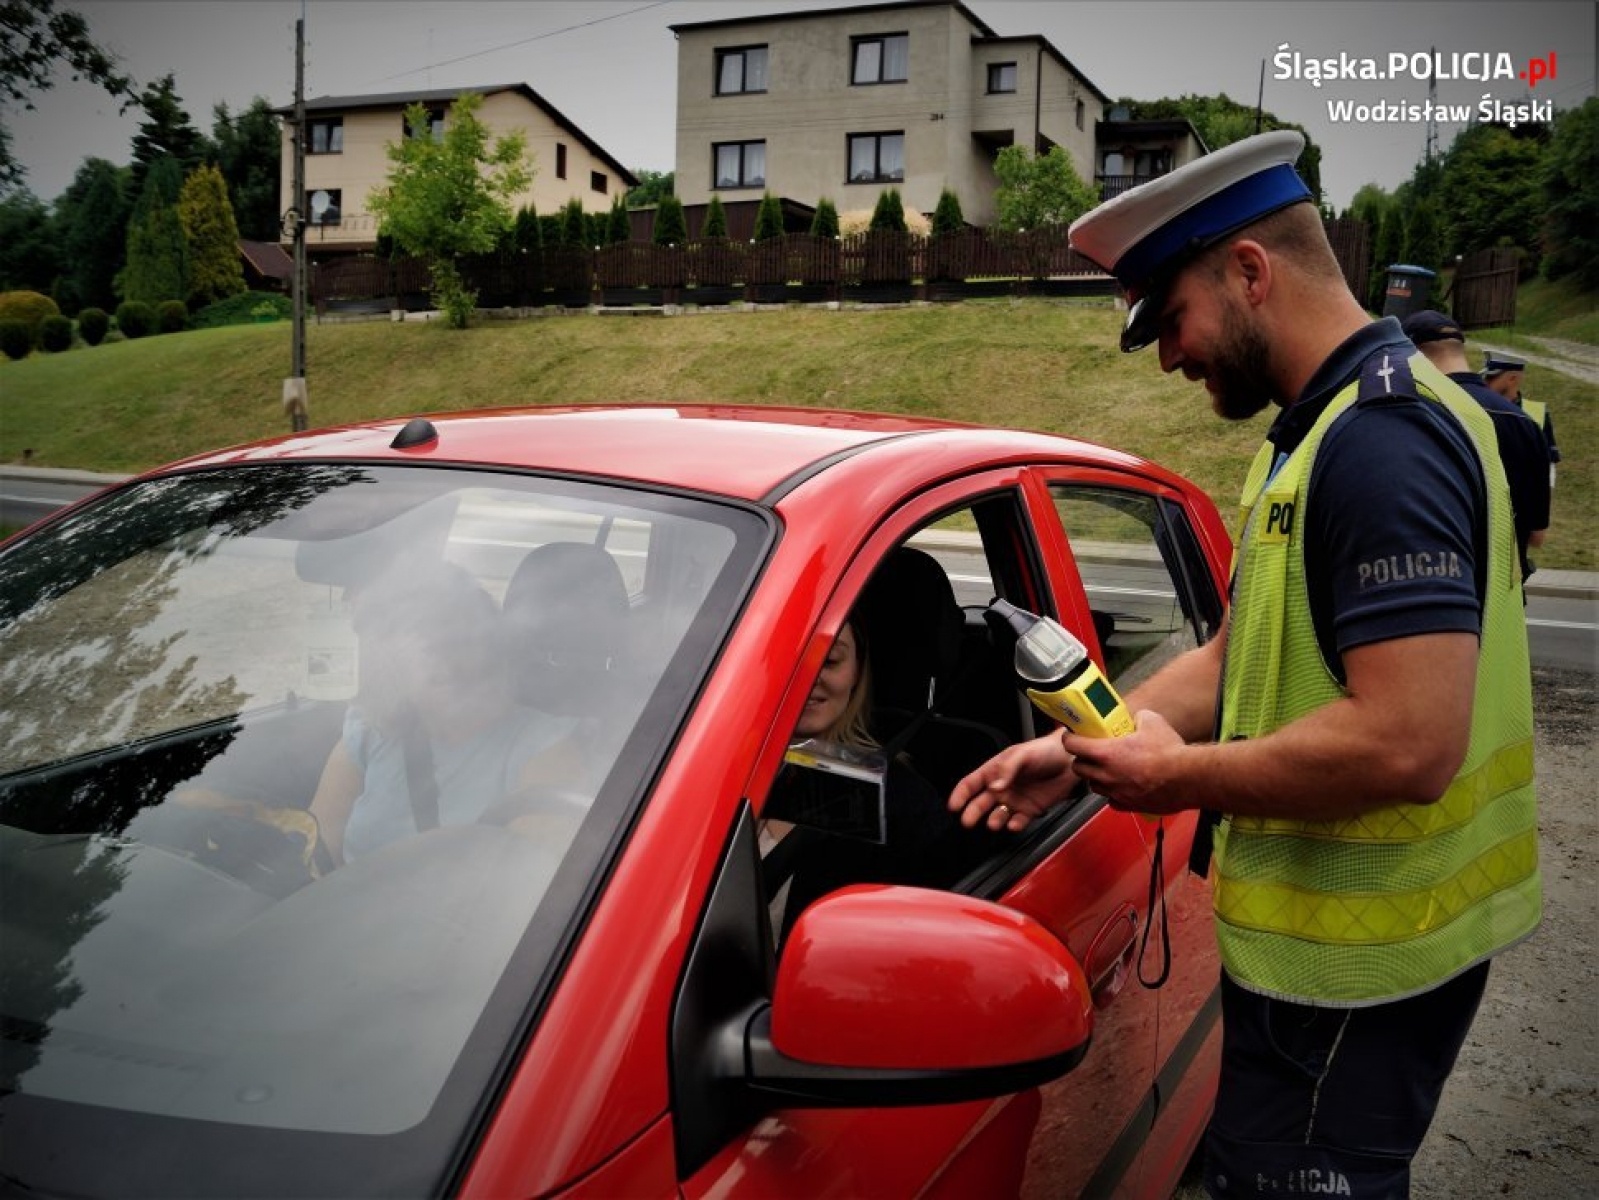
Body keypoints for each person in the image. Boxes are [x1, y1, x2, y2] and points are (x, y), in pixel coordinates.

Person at [950, 131, 1540, 1199]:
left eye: (1170, 321)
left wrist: (1174, 780)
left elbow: (1410, 741)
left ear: (1250, 272)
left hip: (1358, 976)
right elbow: (1239, 657)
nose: (1170, 357)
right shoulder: (1313, 430)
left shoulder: (1381, 442)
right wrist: (1078, 744)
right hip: (1339, 972)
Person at [309, 561, 573, 864]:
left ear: (492, 647)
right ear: (391, 663)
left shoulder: (544, 746)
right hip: (343, 908)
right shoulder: (368, 734)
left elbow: (522, 883)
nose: (447, 665)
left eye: (459, 642)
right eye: (427, 648)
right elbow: (314, 857)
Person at [1401, 310, 1550, 583]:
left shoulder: (1409, 415)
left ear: (1413, 354)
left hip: (1428, 593)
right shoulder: (1525, 423)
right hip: (1502, 600)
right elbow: (1537, 536)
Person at [1483, 351, 1561, 490]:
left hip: (1524, 495)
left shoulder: (1538, 413)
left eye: (1491, 377)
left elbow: (1549, 464)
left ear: (1512, 378)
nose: (1485, 382)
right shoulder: (1479, 407)